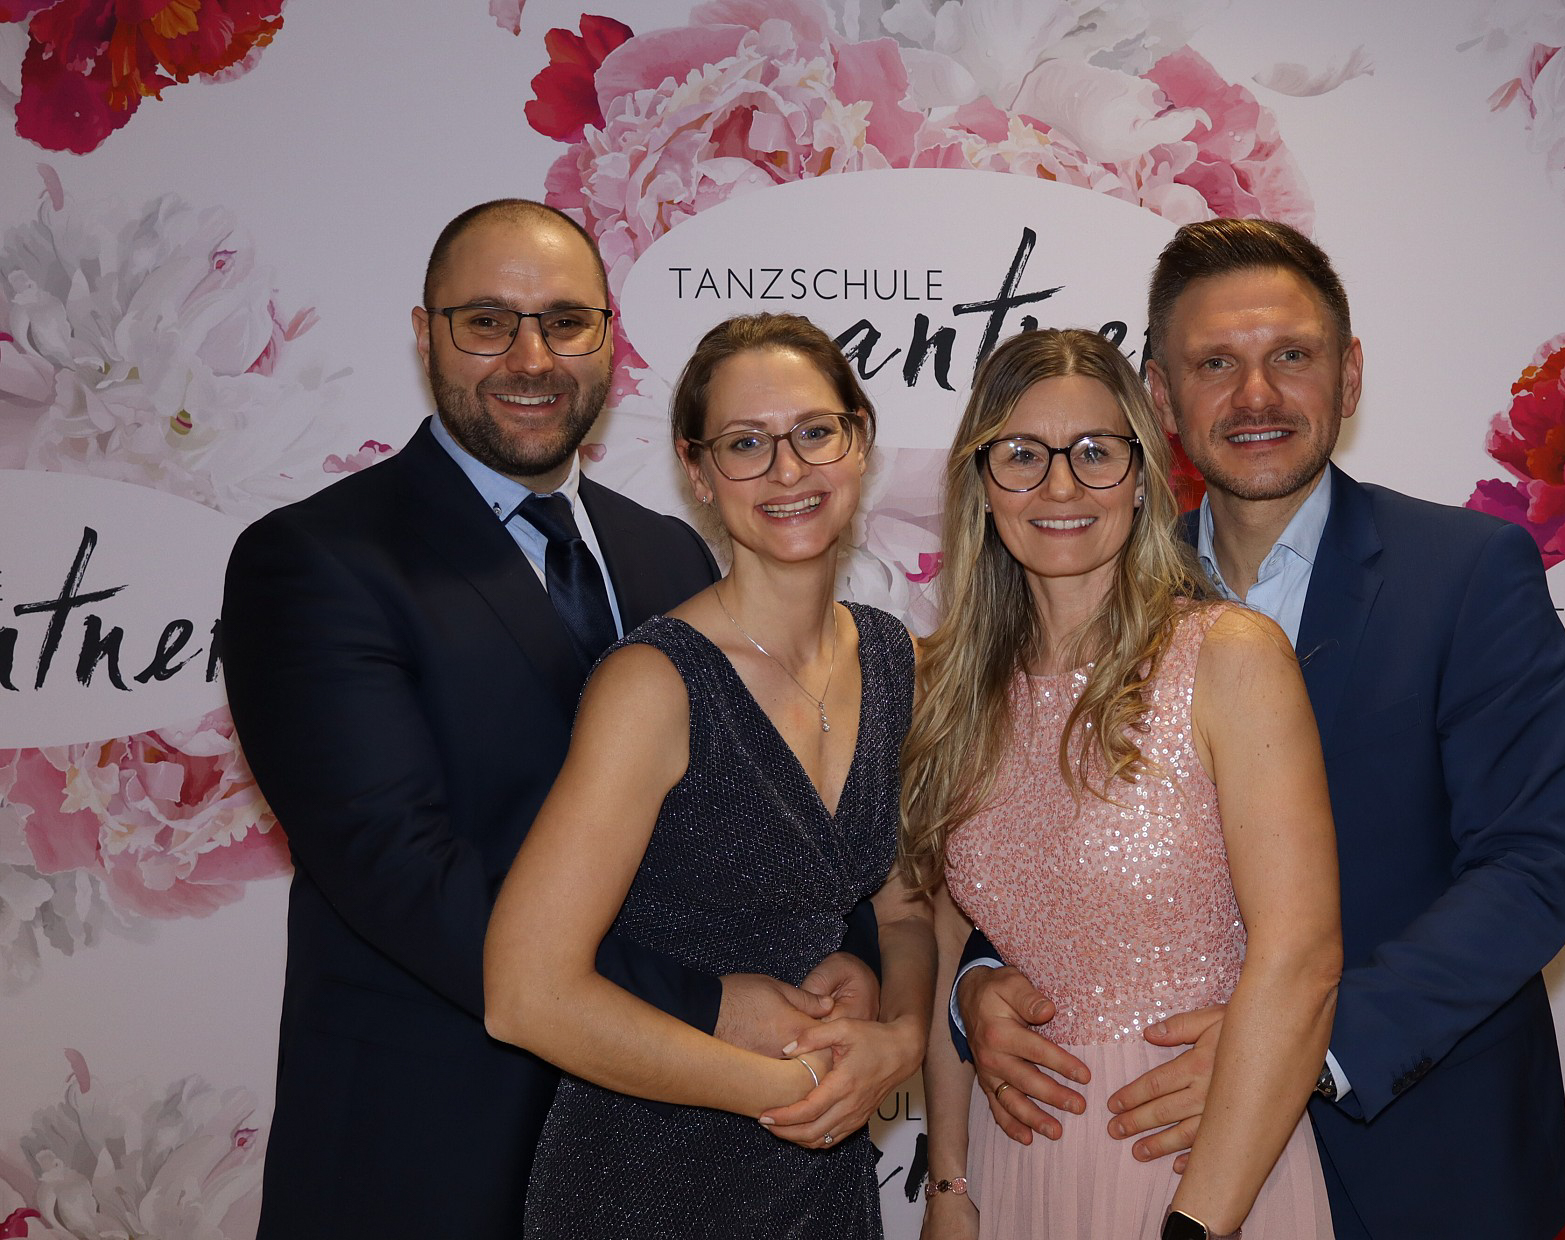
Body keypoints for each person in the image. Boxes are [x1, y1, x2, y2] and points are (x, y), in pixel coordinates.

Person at [221, 203, 879, 1240]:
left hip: (667, 1147)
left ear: (608, 338)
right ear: (425, 333)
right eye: (488, 322)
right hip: (430, 1150)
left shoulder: (669, 552)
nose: (531, 359)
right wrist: (706, 1004)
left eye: (566, 322)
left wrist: (853, 962)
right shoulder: (316, 561)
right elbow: (403, 875)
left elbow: (762, 811)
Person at [953, 220, 1565, 1240]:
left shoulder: (1468, 573)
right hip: (1148, 1156)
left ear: (1349, 375)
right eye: (1215, 363)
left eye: (1290, 355)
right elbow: (1054, 843)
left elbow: (1529, 868)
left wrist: (1302, 1048)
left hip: (1419, 1154)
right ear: (1161, 399)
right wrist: (976, 985)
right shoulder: (1085, 568)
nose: (1256, 396)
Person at [483, 312, 933, 1238]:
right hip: (644, 1180)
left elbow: (904, 912)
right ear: (698, 471)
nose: (787, 470)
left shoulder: (896, 661)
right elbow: (526, 996)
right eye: (746, 443)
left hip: (819, 1180)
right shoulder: (654, 685)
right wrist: (784, 1088)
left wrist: (899, 1035)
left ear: (859, 440)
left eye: (814, 432)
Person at [906, 328, 1342, 1240]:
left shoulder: (1229, 659)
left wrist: (1195, 1224)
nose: (1060, 487)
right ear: (981, 482)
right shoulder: (945, 690)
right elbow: (946, 946)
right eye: (1022, 455)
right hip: (1020, 1164)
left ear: (1143, 476)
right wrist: (949, 1187)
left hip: (1204, 1168)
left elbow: (1300, 958)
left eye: (1096, 453)